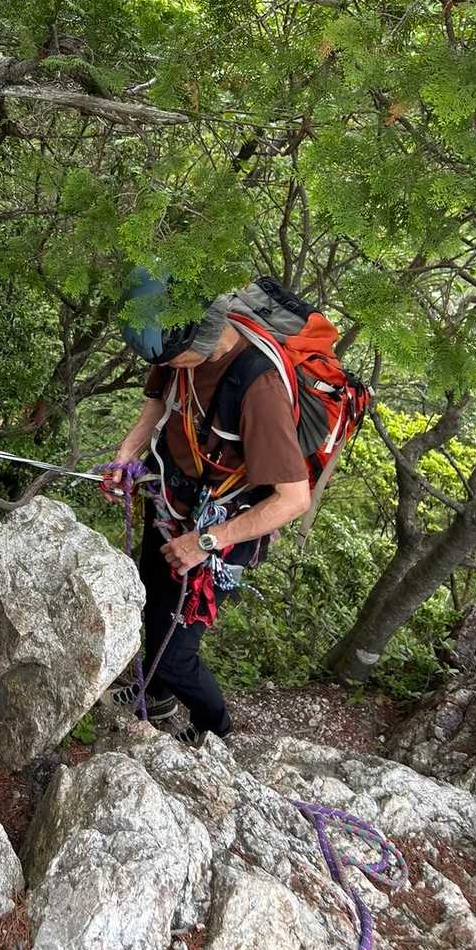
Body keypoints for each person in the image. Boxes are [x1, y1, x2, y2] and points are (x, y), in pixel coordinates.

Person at [106, 280, 311, 746]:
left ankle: (216, 730)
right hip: (171, 499)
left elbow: (293, 498)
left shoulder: (258, 387)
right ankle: (156, 693)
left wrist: (204, 543)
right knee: (151, 598)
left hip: (221, 528)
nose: (167, 369)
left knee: (177, 653)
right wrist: (126, 454)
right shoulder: (175, 345)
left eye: (174, 362)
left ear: (204, 340)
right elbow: (158, 403)